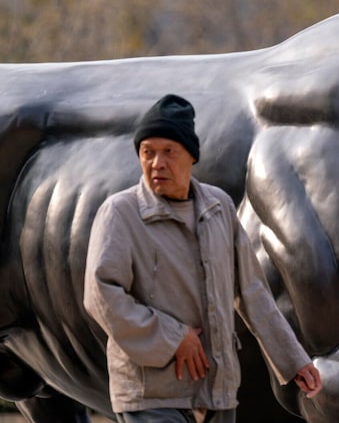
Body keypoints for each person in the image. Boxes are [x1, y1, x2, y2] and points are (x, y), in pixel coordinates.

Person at [84, 94, 322, 423]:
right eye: (147, 152)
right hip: (151, 394)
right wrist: (172, 337)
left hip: (217, 392)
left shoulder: (218, 207)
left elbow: (252, 291)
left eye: (169, 152)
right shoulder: (120, 213)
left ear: (191, 155)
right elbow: (101, 295)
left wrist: (293, 360)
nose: (157, 163)